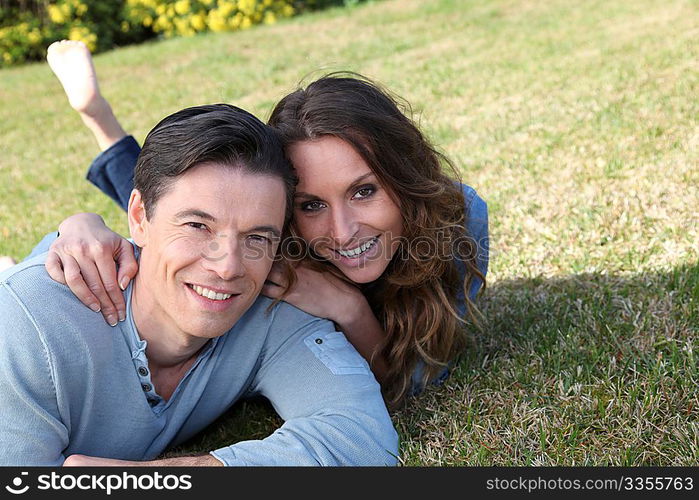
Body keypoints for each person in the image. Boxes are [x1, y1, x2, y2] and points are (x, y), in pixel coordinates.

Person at [45, 40, 489, 408]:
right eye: (311, 205)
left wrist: (347, 308)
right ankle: (97, 114)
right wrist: (78, 225)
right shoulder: (265, 244)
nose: (343, 230)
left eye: (364, 191)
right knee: (184, 204)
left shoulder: (457, 219)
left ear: (403, 175)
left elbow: (416, 378)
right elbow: (170, 224)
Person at [0, 103, 398, 466]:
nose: (227, 267)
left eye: (257, 237)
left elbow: (363, 435)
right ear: (138, 217)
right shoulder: (28, 327)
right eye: (197, 226)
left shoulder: (273, 312)